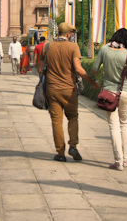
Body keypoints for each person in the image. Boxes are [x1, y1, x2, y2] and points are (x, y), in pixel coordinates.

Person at [40, 22, 99, 162]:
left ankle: (60, 153)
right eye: (71, 33)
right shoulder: (73, 47)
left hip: (52, 89)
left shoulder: (47, 47)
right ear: (68, 34)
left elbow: (40, 67)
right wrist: (91, 81)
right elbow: (78, 69)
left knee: (56, 121)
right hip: (69, 89)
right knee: (72, 117)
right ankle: (73, 146)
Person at [92, 28, 127, 171]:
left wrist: (99, 79)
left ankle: (118, 162)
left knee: (113, 126)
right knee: (124, 125)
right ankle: (125, 158)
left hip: (109, 93)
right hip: (125, 92)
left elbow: (95, 68)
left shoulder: (104, 49)